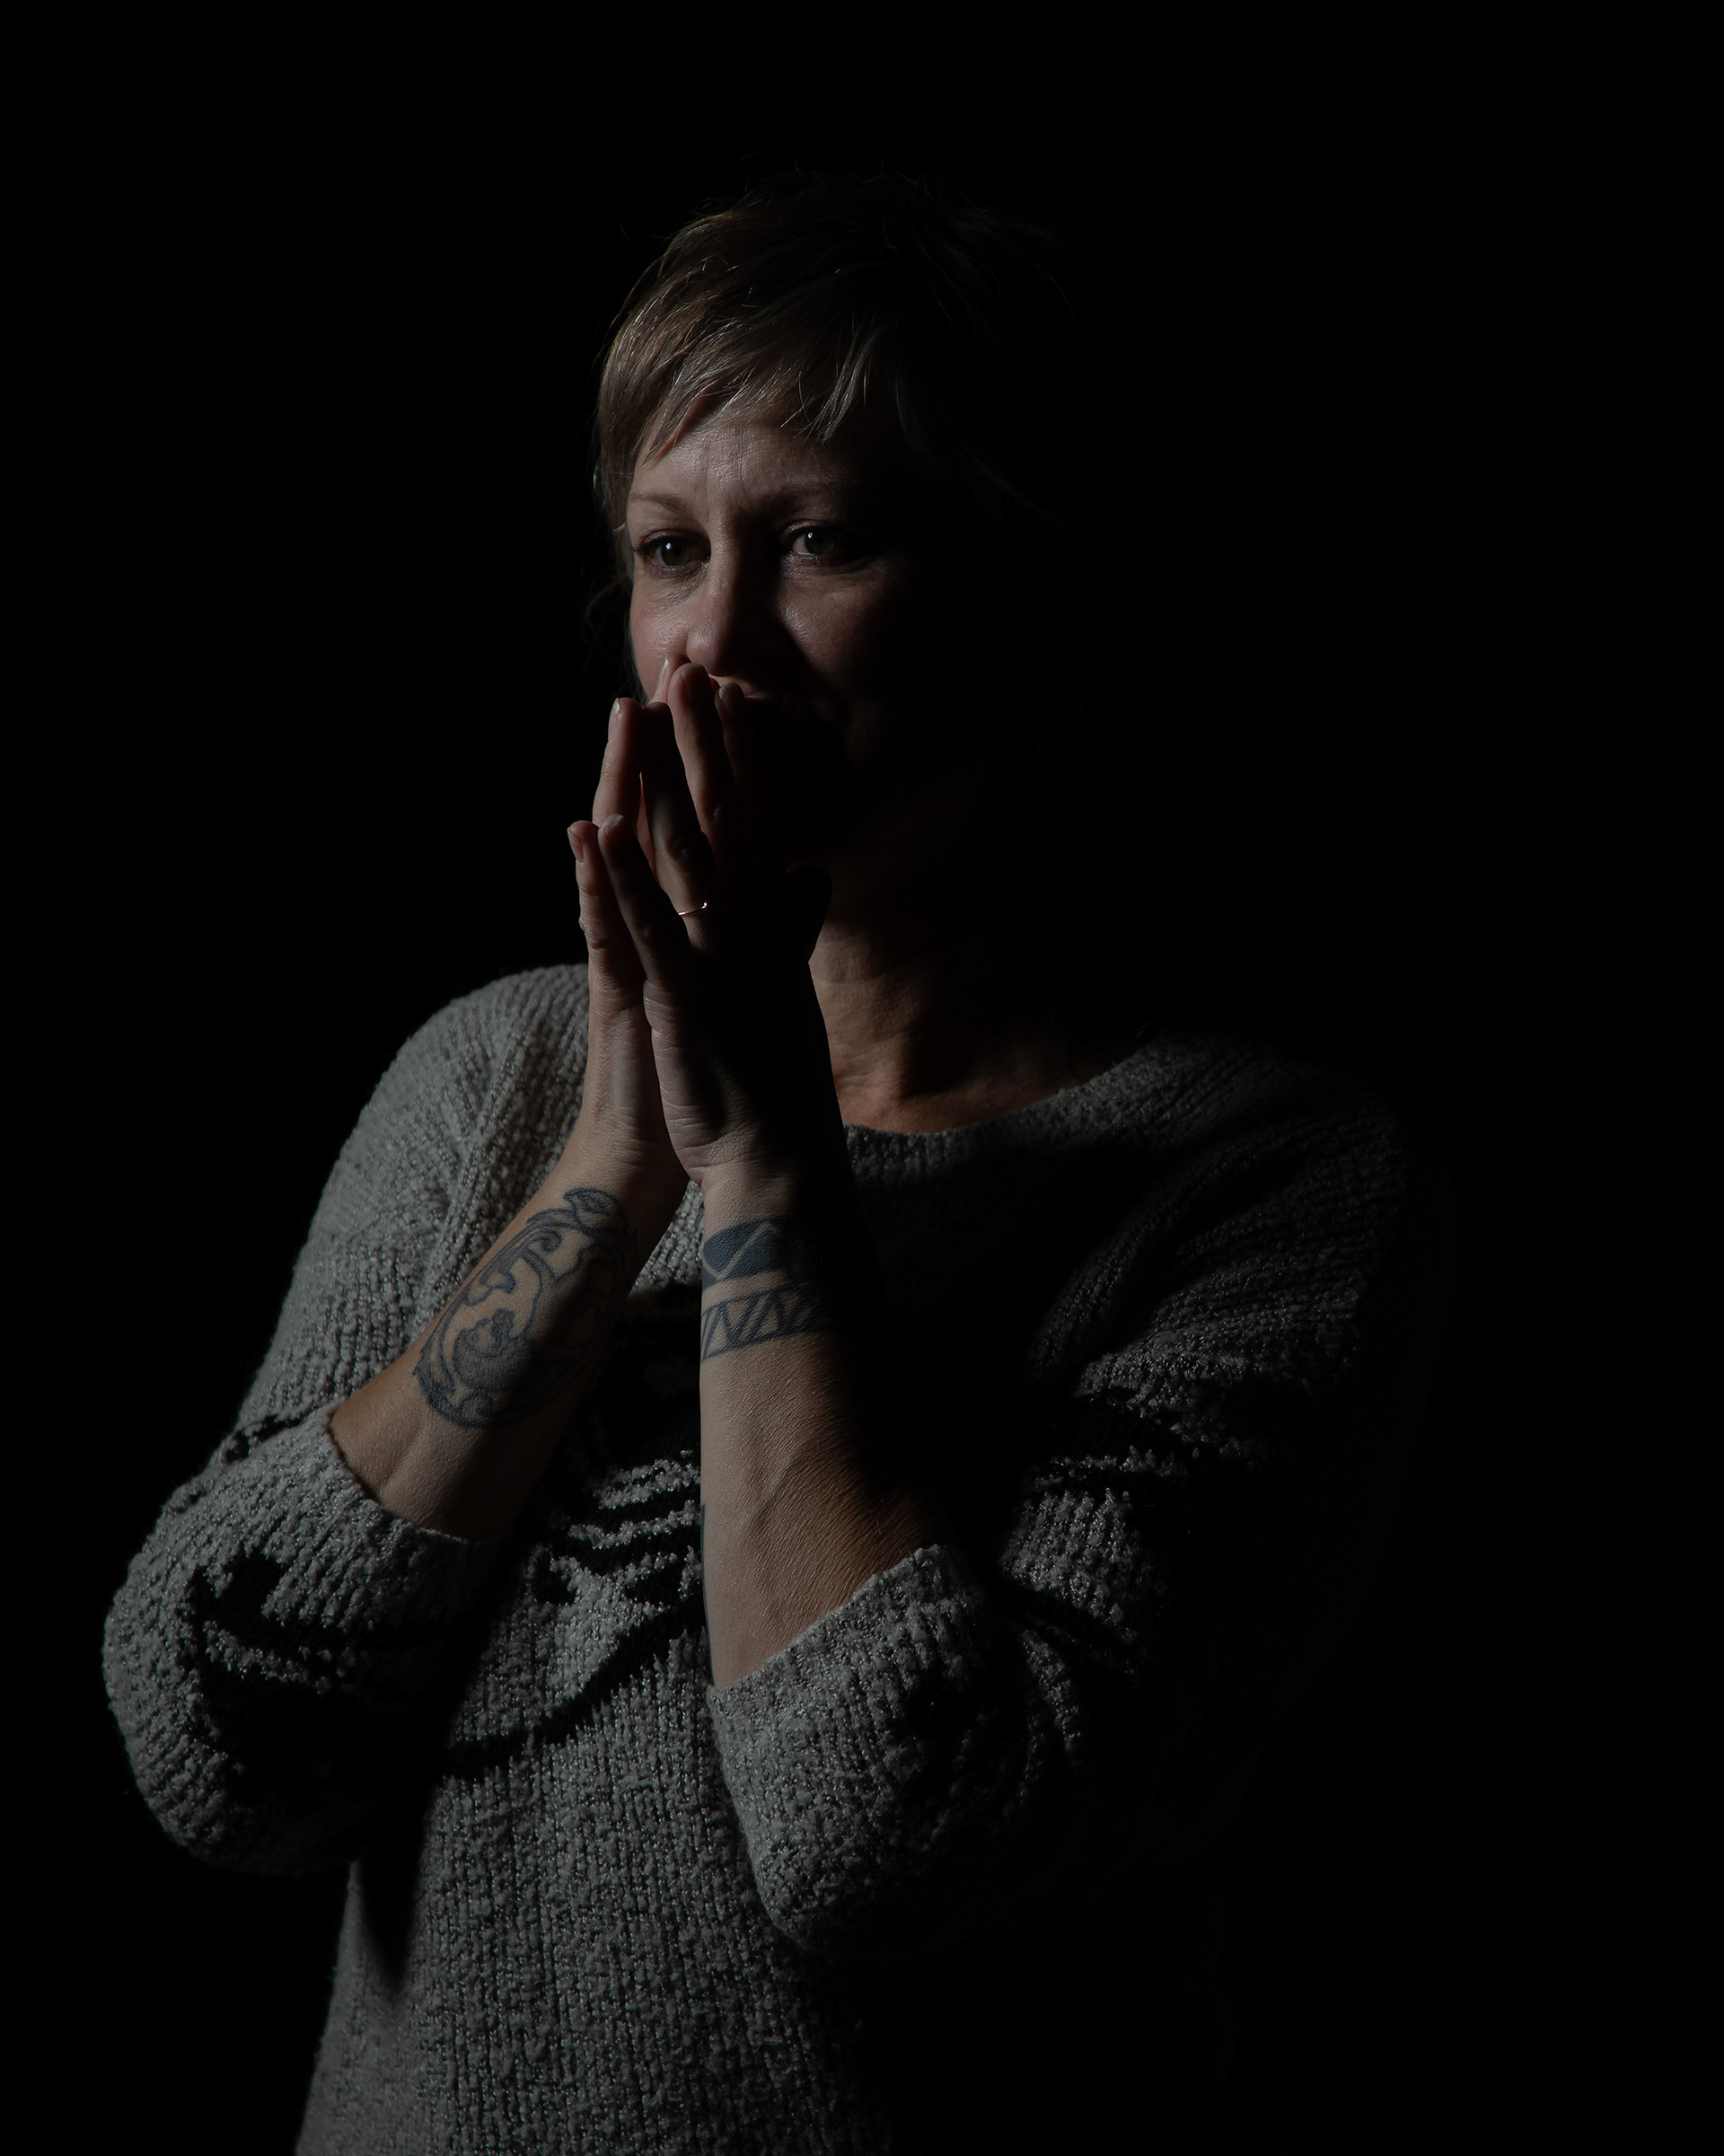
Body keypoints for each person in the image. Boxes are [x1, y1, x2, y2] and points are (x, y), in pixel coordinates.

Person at [104, 172, 1456, 2154]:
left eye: (821, 540)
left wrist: (762, 1158)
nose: (715, 648)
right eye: (670, 551)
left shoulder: (1266, 1184)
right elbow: (217, 1754)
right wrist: (616, 1158)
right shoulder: (494, 1077)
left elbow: (895, 1840)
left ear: (1033, 590)